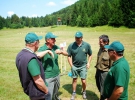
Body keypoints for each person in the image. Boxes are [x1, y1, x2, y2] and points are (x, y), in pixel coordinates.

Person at [16, 32, 52, 100]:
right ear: (35, 43)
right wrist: (47, 92)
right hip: (38, 94)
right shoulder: (31, 58)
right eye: (39, 42)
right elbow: (38, 80)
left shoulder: (20, 55)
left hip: (30, 90)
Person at [37, 32, 68, 100]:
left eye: (55, 39)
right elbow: (37, 55)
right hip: (48, 77)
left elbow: (67, 54)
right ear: (48, 40)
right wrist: (47, 51)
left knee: (55, 93)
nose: (55, 40)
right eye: (53, 39)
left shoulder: (55, 47)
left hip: (57, 74)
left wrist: (61, 51)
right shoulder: (43, 48)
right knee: (49, 95)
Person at [67, 31, 92, 100]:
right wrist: (71, 65)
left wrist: (88, 63)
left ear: (82, 38)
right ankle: (74, 92)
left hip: (83, 66)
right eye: (76, 37)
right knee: (74, 79)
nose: (77, 39)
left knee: (83, 80)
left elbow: (90, 55)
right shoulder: (71, 46)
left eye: (78, 38)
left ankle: (84, 92)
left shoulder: (86, 45)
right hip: (74, 66)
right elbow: (68, 56)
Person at [94, 35, 113, 100]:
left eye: (100, 42)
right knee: (98, 85)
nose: (99, 43)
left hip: (104, 73)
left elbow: (112, 65)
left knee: (103, 90)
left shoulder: (110, 52)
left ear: (106, 42)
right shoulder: (101, 49)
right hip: (98, 71)